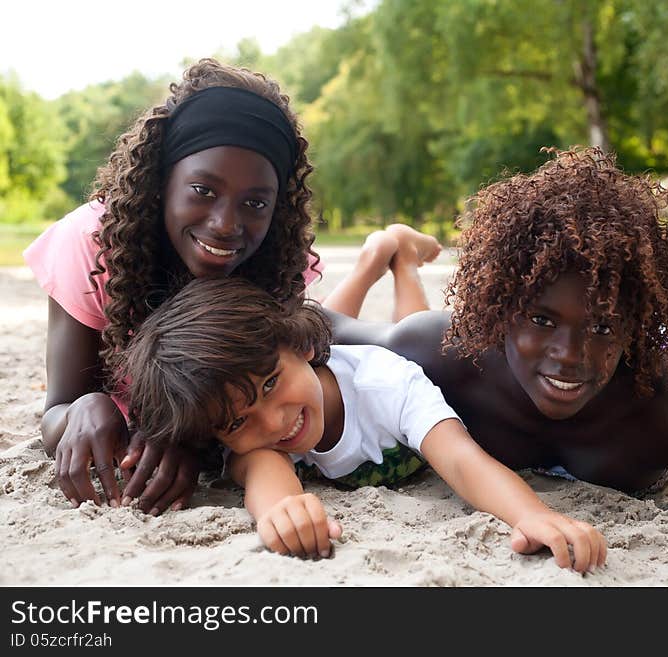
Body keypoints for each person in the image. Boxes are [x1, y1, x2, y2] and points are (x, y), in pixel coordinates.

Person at [328, 146, 668, 542]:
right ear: (501, 309)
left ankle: (399, 255)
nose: (570, 354)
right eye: (540, 318)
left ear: (629, 323)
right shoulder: (454, 353)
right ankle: (390, 253)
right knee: (407, 338)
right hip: (470, 340)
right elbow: (320, 323)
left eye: (600, 326)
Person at [23, 58, 439, 517]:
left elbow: (319, 352)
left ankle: (394, 258)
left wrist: (187, 440)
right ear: (163, 182)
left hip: (299, 331)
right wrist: (87, 404)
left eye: (255, 202)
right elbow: (56, 412)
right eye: (203, 190)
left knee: (390, 346)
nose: (225, 225)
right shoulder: (93, 248)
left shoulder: (270, 255)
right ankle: (375, 257)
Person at [117, 277, 607, 573]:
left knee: (415, 322)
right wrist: (282, 511)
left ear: (301, 347)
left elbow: (460, 459)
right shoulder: (255, 437)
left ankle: (398, 260)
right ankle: (379, 255)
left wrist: (531, 515)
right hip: (330, 360)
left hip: (420, 353)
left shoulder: (386, 384)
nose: (275, 422)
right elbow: (261, 469)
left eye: (270, 384)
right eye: (239, 420)